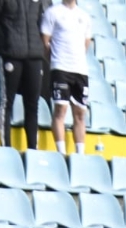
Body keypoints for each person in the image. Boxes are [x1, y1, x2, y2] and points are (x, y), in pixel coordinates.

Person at [0, 0, 46, 149]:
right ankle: (6, 148)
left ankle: (33, 149)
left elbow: (42, 23)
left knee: (33, 105)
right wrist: (6, 40)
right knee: (7, 101)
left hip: (34, 55)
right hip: (10, 54)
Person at [42, 0, 91, 155]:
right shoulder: (53, 12)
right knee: (60, 109)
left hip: (80, 70)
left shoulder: (84, 16)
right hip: (61, 68)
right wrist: (55, 61)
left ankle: (80, 154)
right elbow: (45, 41)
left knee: (80, 113)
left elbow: (86, 43)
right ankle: (61, 154)